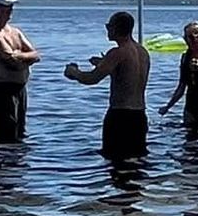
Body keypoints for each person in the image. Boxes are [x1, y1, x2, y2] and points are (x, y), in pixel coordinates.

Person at [65, 10, 152, 159]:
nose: (107, 30)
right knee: (137, 163)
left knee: (115, 162)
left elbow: (92, 78)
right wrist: (103, 64)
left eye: (108, 26)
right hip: (139, 115)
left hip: (121, 116)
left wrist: (74, 72)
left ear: (116, 28)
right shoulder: (142, 51)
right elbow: (127, 75)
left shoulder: (118, 52)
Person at [0, 0, 41, 144]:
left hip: (19, 88)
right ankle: (0, 163)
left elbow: (35, 54)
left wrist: (18, 55)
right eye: (5, 8)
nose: (9, 12)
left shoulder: (14, 31)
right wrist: (20, 58)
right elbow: (10, 63)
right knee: (4, 131)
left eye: (10, 8)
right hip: (0, 88)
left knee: (19, 129)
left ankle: (15, 163)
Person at [160, 20, 198, 133]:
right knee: (189, 139)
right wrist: (168, 107)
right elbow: (181, 86)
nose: (193, 40)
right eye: (189, 37)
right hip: (191, 104)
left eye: (195, 36)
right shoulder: (185, 57)